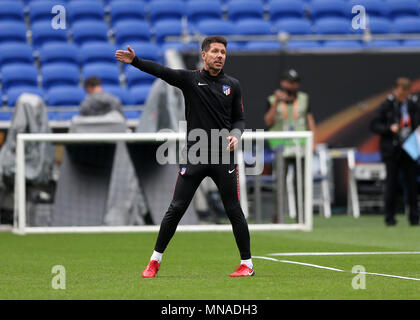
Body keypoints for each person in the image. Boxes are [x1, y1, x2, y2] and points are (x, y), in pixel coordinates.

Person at [115, 35, 254, 277]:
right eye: (215, 51)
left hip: (223, 157)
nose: (220, 56)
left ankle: (247, 265)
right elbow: (162, 71)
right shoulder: (190, 80)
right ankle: (154, 261)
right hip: (196, 155)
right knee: (176, 208)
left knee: (233, 210)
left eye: (223, 52)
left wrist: (236, 134)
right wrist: (135, 61)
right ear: (204, 55)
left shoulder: (234, 84)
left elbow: (239, 119)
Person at [263, 69, 316, 221]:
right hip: (281, 148)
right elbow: (268, 121)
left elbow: (310, 121)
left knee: (302, 184)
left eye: (295, 82)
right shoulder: (272, 99)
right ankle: (278, 216)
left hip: (300, 147)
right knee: (279, 184)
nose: (293, 85)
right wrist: (277, 103)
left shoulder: (304, 99)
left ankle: (303, 217)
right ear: (283, 83)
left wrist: (313, 142)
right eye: (290, 81)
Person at [370, 77, 419, 226]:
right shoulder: (387, 105)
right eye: (399, 91)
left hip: (409, 149)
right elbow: (374, 125)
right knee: (391, 183)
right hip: (392, 150)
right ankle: (390, 218)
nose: (401, 95)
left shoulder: (412, 105)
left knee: (411, 185)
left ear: (408, 91)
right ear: (396, 89)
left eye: (404, 92)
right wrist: (389, 128)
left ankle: (414, 217)